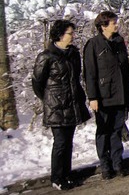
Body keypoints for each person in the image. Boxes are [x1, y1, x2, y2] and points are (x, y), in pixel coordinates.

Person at [33, 20, 91, 191]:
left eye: (73, 33)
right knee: (60, 143)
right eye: (69, 33)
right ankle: (57, 177)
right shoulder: (46, 56)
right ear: (59, 35)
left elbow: (76, 77)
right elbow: (37, 83)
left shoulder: (73, 54)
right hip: (56, 107)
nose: (73, 36)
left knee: (69, 141)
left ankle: (67, 174)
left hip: (72, 104)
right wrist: (51, 99)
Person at [83, 11, 129, 179]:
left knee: (117, 130)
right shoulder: (93, 45)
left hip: (119, 93)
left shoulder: (119, 42)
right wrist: (92, 97)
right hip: (103, 96)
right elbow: (90, 73)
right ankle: (105, 166)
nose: (116, 25)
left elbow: (125, 69)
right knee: (104, 131)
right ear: (103, 26)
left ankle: (117, 163)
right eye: (113, 23)